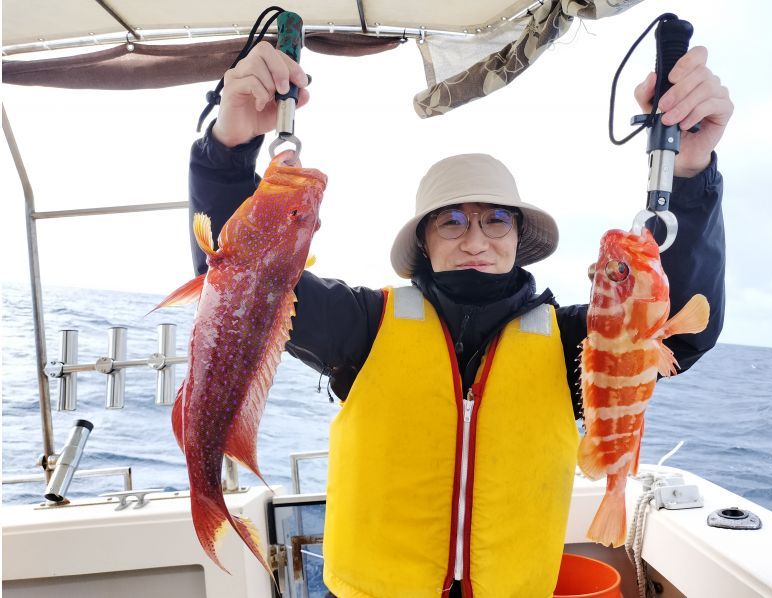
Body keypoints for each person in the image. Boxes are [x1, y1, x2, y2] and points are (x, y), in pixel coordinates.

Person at [188, 41, 732, 597]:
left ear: (520, 240)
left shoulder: (577, 339)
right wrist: (229, 147)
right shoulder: (364, 323)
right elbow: (241, 286)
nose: (476, 239)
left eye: (496, 221)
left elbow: (685, 327)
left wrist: (690, 172)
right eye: (451, 222)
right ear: (424, 243)